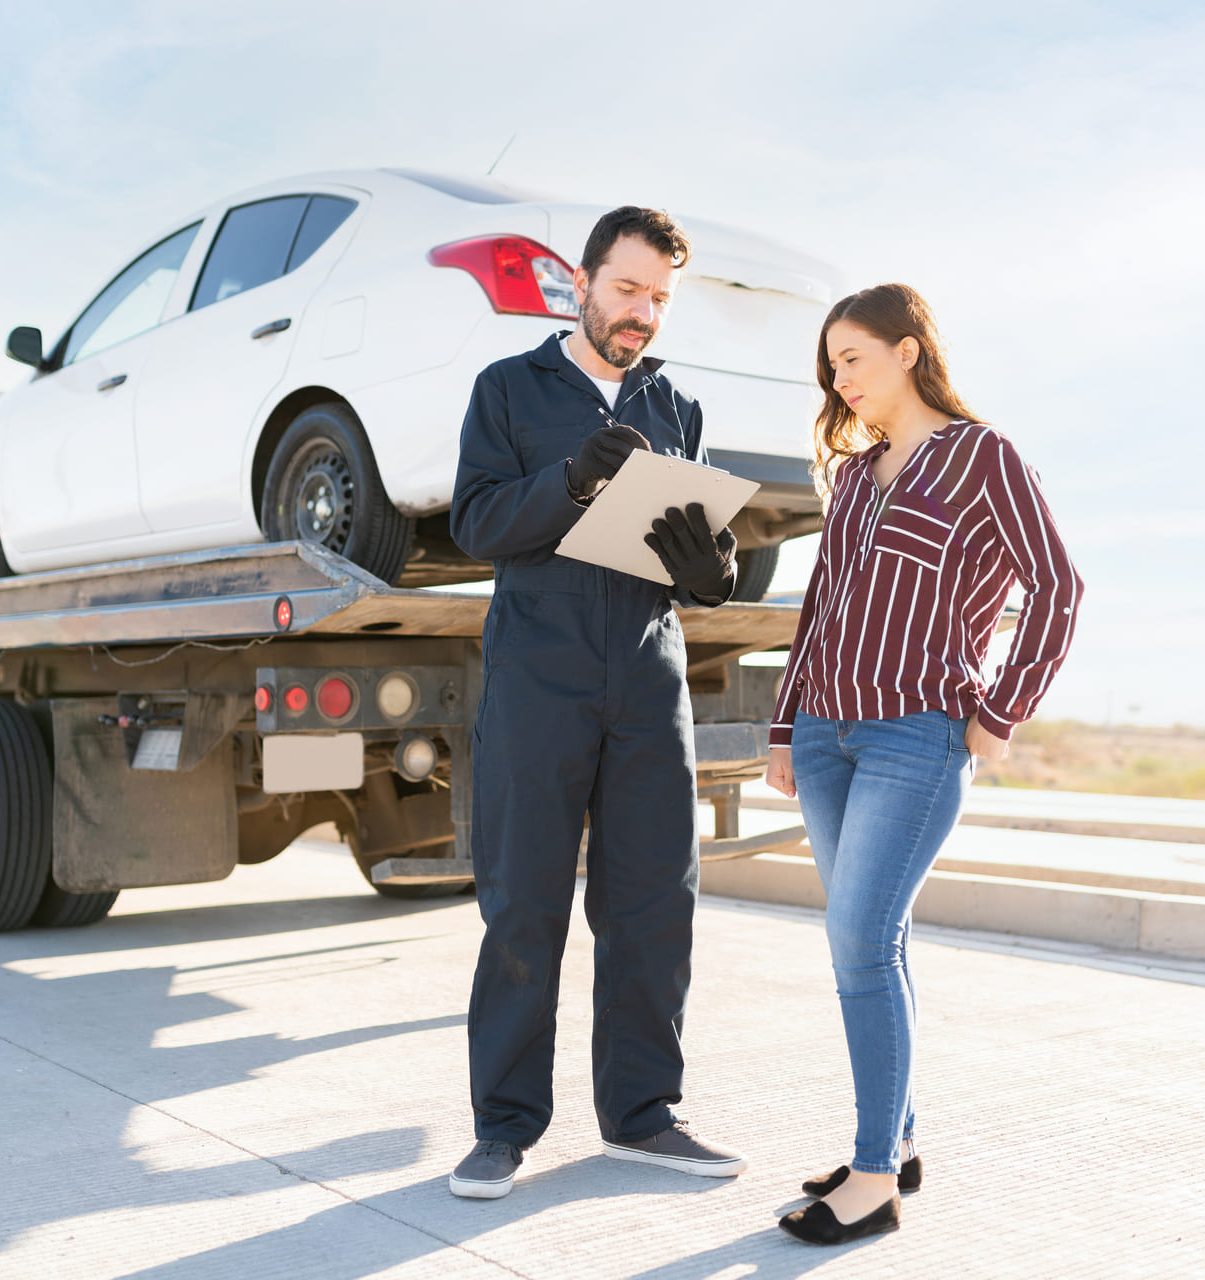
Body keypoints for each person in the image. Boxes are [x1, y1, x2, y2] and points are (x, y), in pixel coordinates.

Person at [764, 283, 1082, 1245]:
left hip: (919, 735)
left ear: (907, 351)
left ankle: (870, 1184)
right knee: (874, 944)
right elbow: (819, 607)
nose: (839, 378)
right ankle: (892, 1144)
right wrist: (785, 729)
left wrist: (999, 710)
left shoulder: (982, 457)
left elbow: (1057, 585)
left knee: (860, 942)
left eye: (852, 357)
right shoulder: (854, 478)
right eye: (831, 365)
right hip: (826, 731)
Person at [444, 206, 747, 1199]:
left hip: (648, 669)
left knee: (656, 898)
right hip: (540, 668)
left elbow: (697, 558)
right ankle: (503, 1126)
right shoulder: (508, 389)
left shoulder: (678, 407)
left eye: (659, 297)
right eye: (628, 289)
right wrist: (569, 478)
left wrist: (715, 570)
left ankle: (644, 1114)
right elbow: (480, 521)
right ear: (581, 281)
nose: (642, 312)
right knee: (525, 900)